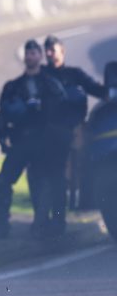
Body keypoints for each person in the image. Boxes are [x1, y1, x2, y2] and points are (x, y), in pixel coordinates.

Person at [0, 40, 68, 237]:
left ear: (40, 56)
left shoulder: (51, 85)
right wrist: (3, 140)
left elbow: (61, 113)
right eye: (27, 53)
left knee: (44, 183)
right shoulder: (13, 87)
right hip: (22, 142)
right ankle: (0, 226)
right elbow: (2, 116)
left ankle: (48, 225)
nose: (29, 57)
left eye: (34, 53)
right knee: (2, 181)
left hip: (45, 142)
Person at [42, 34, 106, 210]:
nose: (49, 54)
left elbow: (98, 90)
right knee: (55, 171)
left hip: (74, 128)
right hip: (50, 130)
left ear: (62, 52)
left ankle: (78, 202)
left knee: (78, 165)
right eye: (46, 50)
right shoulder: (42, 76)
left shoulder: (75, 74)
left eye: (52, 50)